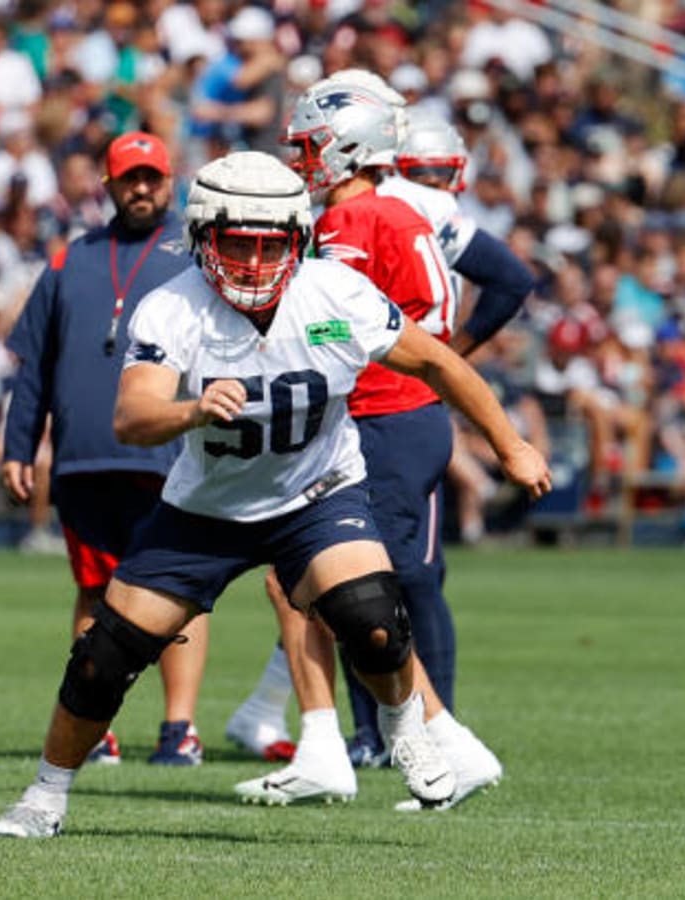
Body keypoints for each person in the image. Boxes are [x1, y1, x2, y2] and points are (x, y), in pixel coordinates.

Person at [0, 151, 551, 838]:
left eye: (269, 244)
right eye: (236, 245)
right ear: (203, 241)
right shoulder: (173, 306)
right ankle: (43, 799)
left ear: (297, 240)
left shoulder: (335, 292)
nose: (253, 262)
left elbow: (436, 359)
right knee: (104, 657)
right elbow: (132, 419)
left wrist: (510, 443)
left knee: (371, 614)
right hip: (205, 509)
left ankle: (407, 731)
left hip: (316, 495)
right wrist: (192, 410)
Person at [231, 78, 519, 810]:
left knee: (338, 590)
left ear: (347, 146)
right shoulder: (395, 209)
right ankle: (341, 745)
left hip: (383, 414)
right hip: (400, 415)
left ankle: (435, 745)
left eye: (308, 146)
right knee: (300, 584)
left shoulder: (352, 220)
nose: (299, 159)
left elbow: (333, 324)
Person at [2, 131, 212, 766]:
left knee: (178, 591)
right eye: (130, 179)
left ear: (170, 181)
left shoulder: (195, 254)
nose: (142, 189)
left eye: (152, 177)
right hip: (84, 459)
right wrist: (19, 445)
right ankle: (96, 728)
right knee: (95, 592)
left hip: (171, 455)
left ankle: (180, 728)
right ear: (109, 185)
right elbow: (34, 362)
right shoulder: (72, 259)